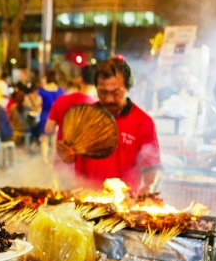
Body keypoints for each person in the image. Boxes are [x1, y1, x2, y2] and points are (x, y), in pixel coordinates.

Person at [58, 57, 161, 194]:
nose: (109, 99)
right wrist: (67, 156)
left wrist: (149, 186)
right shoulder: (83, 117)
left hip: (123, 205)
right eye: (102, 92)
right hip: (85, 202)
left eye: (115, 92)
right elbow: (70, 157)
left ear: (128, 88)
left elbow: (152, 166)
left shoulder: (143, 122)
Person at [44, 64, 97, 188]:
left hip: (62, 160)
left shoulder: (62, 100)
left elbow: (48, 129)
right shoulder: (98, 107)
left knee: (62, 200)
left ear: (80, 79)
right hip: (85, 166)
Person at [37, 70, 64, 164]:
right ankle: (53, 159)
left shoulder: (42, 90)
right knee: (54, 139)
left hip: (45, 115)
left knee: (44, 139)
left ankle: (44, 160)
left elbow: (38, 103)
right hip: (56, 116)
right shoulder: (60, 90)